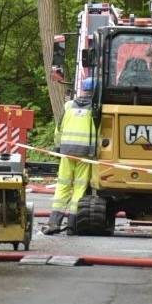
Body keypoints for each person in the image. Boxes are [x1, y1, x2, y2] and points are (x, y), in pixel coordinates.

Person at [43, 78, 97, 235]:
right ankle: (72, 226)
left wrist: (58, 148)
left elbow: (58, 129)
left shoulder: (68, 106)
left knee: (63, 186)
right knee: (80, 188)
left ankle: (54, 223)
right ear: (95, 92)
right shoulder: (94, 109)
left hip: (67, 152)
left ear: (82, 89)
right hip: (85, 155)